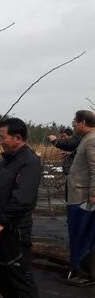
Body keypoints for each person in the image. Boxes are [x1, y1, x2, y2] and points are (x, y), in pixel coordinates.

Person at [0, 118, 40, 297]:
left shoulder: (29, 162)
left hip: (14, 231)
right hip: (0, 231)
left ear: (17, 137)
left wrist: (1, 222)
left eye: (3, 138)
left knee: (19, 280)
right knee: (1, 275)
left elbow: (22, 198)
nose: (1, 142)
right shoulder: (6, 161)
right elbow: (3, 187)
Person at [66, 110, 95, 286]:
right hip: (79, 195)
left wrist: (93, 193)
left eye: (75, 122)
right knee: (81, 234)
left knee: (84, 235)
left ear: (83, 122)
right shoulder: (87, 139)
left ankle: (86, 274)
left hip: (84, 197)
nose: (74, 125)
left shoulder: (92, 140)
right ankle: (81, 270)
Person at [48, 128, 81, 201]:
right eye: (61, 137)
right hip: (70, 176)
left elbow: (68, 145)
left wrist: (55, 141)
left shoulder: (76, 141)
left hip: (75, 177)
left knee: (73, 199)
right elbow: (77, 151)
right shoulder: (76, 146)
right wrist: (70, 153)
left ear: (70, 136)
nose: (62, 138)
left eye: (64, 136)